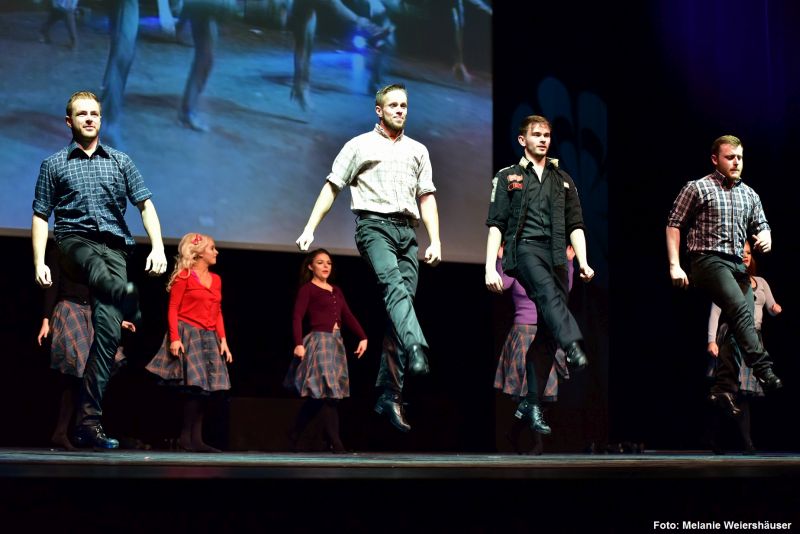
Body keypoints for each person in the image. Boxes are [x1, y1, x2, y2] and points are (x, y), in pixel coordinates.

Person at [296, 83, 441, 433]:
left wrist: (435, 239)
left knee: (400, 308)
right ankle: (418, 347)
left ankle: (389, 394)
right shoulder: (358, 145)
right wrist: (310, 228)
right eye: (393, 105)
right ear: (379, 110)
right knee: (394, 287)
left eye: (404, 105)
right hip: (373, 226)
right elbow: (332, 186)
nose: (400, 110)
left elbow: (426, 198)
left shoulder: (418, 150)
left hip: (408, 232)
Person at [32, 90, 167, 449]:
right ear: (69, 121)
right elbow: (41, 215)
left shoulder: (121, 161)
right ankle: (123, 294)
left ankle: (88, 425)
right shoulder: (54, 164)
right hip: (74, 244)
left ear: (101, 119)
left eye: (94, 113)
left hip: (115, 253)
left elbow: (145, 204)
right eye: (81, 114)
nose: (89, 118)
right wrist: (38, 260)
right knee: (89, 259)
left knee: (106, 342)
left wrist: (157, 246)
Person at [485, 114, 595, 437]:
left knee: (547, 331)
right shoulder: (508, 177)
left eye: (547, 134)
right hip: (524, 250)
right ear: (523, 140)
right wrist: (490, 265)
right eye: (537, 134)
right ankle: (574, 345)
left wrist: (584, 263)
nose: (544, 139)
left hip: (558, 255)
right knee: (548, 294)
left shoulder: (563, 179)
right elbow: (496, 223)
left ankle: (532, 402)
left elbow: (576, 224)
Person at [666, 134, 782, 392]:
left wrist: (766, 236)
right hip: (707, 261)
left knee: (740, 322)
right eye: (730, 157)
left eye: (740, 157)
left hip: (737, 266)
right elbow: (674, 223)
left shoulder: (750, 195)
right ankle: (763, 368)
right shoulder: (698, 188)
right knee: (740, 309)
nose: (736, 162)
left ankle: (724, 386)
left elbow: (762, 224)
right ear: (715, 159)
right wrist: (675, 265)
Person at [37, 243, 133, 451]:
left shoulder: (92, 253)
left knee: (92, 374)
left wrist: (117, 320)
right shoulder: (59, 252)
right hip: (70, 310)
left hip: (92, 312)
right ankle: (63, 431)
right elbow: (52, 287)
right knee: (75, 375)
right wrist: (46, 319)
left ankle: (82, 429)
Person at [146, 233, 232, 453]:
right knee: (194, 388)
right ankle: (186, 438)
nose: (216, 252)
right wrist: (174, 339)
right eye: (212, 248)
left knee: (206, 389)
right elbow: (172, 309)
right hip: (188, 334)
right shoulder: (183, 276)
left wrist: (223, 340)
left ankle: (197, 439)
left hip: (209, 337)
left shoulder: (217, 280)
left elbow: (218, 311)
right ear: (199, 252)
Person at [284, 249, 368, 452]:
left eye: (328, 263)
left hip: (335, 344)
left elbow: (347, 315)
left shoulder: (336, 290)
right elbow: (297, 316)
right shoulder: (308, 289)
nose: (325, 266)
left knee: (326, 396)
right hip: (319, 343)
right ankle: (336, 443)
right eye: (320, 263)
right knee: (327, 395)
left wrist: (363, 336)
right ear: (311, 266)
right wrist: (298, 343)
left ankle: (296, 432)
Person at [494, 245, 574, 454]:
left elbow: (564, 291)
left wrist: (570, 262)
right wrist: (501, 258)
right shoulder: (520, 263)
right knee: (532, 394)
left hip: (546, 333)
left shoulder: (548, 264)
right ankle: (537, 443)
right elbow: (502, 283)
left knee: (544, 394)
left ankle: (514, 431)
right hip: (524, 332)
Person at [705, 240, 781, 454]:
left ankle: (729, 440)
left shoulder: (761, 282)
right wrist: (712, 340)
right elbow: (715, 313)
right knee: (729, 390)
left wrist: (775, 309)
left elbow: (770, 307)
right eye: (741, 252)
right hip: (732, 336)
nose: (745, 255)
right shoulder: (726, 281)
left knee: (744, 393)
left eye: (748, 252)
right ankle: (726, 439)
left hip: (753, 338)